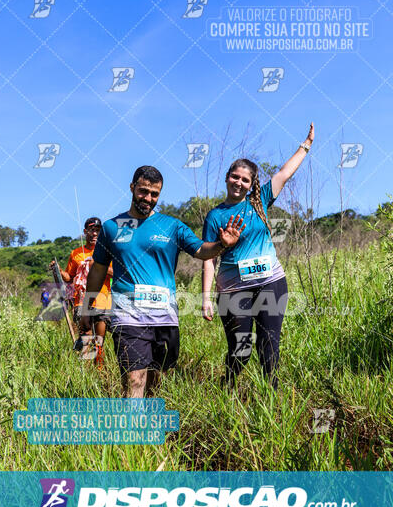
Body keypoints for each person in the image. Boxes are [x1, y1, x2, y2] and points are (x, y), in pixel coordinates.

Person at [80, 165, 245, 398]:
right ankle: (131, 432)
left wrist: (222, 245)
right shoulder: (111, 227)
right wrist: (88, 306)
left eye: (154, 194)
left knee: (157, 381)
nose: (148, 198)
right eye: (143, 191)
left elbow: (201, 250)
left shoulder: (172, 226)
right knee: (134, 379)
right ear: (132, 188)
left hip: (164, 317)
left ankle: (150, 427)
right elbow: (97, 271)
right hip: (128, 316)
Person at [202, 123, 315, 390]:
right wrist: (206, 297)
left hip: (270, 283)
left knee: (269, 349)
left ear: (252, 184)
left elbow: (285, 173)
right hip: (232, 290)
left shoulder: (260, 201)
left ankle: (272, 404)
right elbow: (208, 258)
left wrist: (306, 144)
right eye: (235, 177)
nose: (239, 183)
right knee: (241, 351)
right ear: (227, 177)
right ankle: (225, 393)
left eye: (245, 179)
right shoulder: (214, 216)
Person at [50, 217, 113, 362]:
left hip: (102, 301)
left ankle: (99, 371)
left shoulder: (107, 251)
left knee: (99, 341)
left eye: (98, 230)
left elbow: (116, 273)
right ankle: (86, 375)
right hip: (82, 302)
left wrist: (97, 265)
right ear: (85, 232)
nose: (95, 233)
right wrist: (57, 270)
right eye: (91, 230)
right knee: (86, 340)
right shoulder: (76, 253)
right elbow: (69, 277)